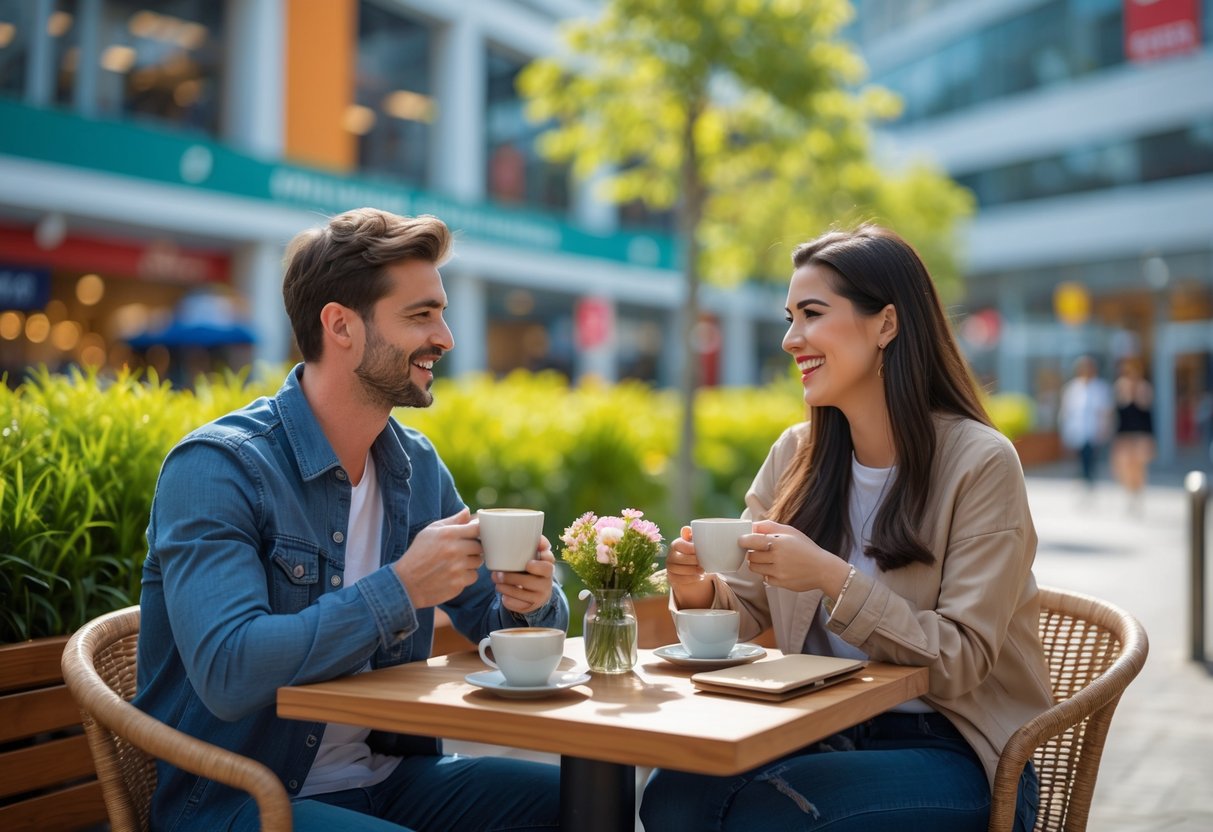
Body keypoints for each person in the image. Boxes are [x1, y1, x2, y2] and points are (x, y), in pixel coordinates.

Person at [134, 208, 569, 832]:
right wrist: (402, 589)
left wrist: (529, 603)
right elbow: (229, 670)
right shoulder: (217, 468)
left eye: (441, 313)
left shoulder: (415, 466)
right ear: (340, 325)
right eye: (421, 315)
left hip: (389, 777)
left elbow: (492, 623)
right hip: (245, 800)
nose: (445, 337)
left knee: (580, 803)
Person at [641, 225, 1052, 831]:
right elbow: (749, 607)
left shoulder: (980, 462)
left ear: (886, 324)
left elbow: (962, 659)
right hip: (823, 729)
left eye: (811, 313)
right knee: (674, 794)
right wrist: (699, 591)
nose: (789, 339)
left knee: (774, 816)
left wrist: (834, 579)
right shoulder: (797, 454)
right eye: (789, 317)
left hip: (956, 749)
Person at [1058, 354, 1113, 490]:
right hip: (1077, 428)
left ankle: (1088, 479)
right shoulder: (1072, 387)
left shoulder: (1100, 387)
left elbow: (1106, 410)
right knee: (1080, 456)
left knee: (1089, 455)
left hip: (1093, 428)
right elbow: (1066, 410)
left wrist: (1105, 427)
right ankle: (1085, 479)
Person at [1110, 357, 1155, 511]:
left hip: (1140, 433)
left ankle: (1137, 493)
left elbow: (1146, 410)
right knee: (1124, 466)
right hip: (1124, 434)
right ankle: (1129, 493)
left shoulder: (1144, 388)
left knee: (1139, 466)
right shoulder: (1120, 388)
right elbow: (1117, 410)